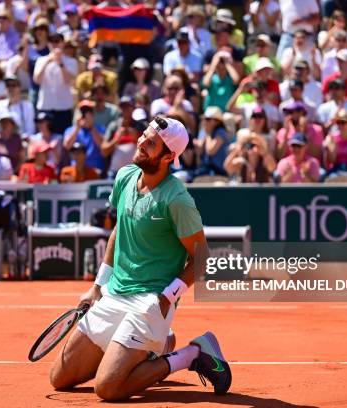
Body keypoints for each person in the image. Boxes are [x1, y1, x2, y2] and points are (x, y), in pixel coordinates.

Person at [50, 116, 232, 400]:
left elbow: (202, 257)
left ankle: (191, 354)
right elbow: (118, 232)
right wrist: (98, 285)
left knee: (108, 388)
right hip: (114, 293)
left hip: (150, 301)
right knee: (59, 379)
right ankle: (157, 343)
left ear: (169, 156)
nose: (141, 143)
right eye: (144, 136)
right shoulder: (125, 176)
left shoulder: (177, 200)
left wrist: (166, 297)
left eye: (150, 142)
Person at [33, 32, 78, 135]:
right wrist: (47, 62)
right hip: (45, 106)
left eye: (57, 41)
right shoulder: (41, 60)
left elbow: (68, 80)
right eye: (51, 41)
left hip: (63, 108)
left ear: (62, 43)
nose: (54, 44)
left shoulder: (71, 62)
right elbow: (37, 80)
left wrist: (60, 63)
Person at [101, 96, 139, 178]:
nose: (125, 109)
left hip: (135, 173)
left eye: (128, 106)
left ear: (133, 108)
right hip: (115, 174)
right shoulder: (113, 126)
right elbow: (104, 151)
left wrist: (136, 139)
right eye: (123, 107)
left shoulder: (140, 126)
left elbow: (149, 149)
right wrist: (116, 139)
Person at [63, 100, 105, 173]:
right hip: (76, 170)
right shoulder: (70, 130)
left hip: (95, 170)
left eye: (88, 112)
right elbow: (67, 146)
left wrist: (91, 127)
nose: (85, 115)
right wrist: (77, 128)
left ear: (93, 114)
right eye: (83, 113)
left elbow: (103, 147)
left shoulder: (100, 129)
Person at [322, 109, 347, 179]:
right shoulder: (332, 138)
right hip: (336, 169)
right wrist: (332, 146)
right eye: (339, 122)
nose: (341, 125)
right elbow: (333, 160)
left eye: (343, 122)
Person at [194, 106, 230, 176]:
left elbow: (210, 151)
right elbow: (199, 151)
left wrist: (208, 135)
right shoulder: (206, 131)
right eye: (204, 119)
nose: (205, 122)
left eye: (208, 119)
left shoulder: (221, 132)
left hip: (218, 171)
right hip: (207, 169)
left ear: (217, 121)